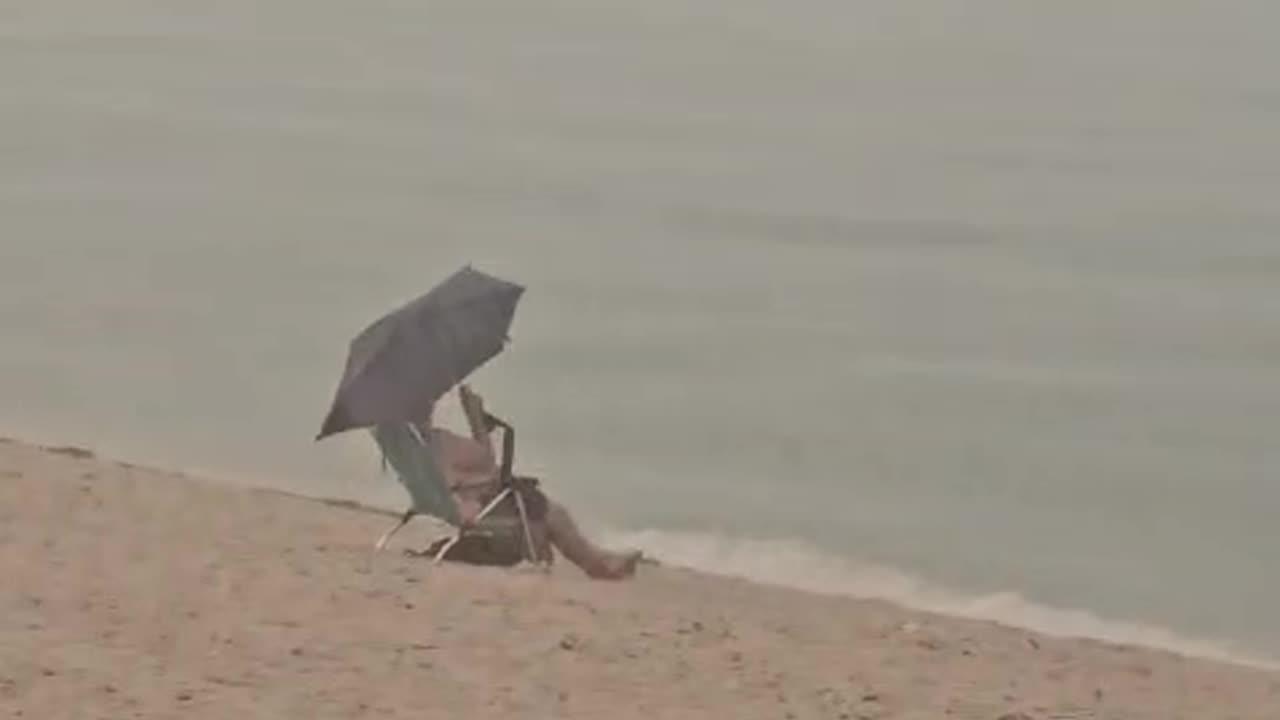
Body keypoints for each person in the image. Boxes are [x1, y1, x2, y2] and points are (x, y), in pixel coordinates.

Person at [417, 385, 642, 580]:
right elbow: (450, 487)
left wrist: (475, 419)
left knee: (548, 514)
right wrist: (461, 504)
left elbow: (484, 462)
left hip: (498, 501)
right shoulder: (432, 449)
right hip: (491, 507)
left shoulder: (427, 443)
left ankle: (599, 560)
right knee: (552, 515)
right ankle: (599, 564)